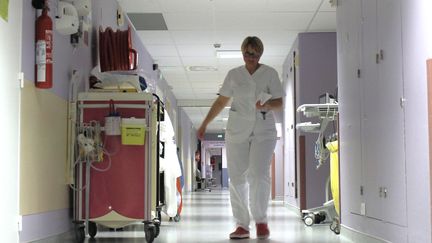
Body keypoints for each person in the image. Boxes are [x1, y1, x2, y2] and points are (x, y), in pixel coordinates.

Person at [197, 36, 283, 240]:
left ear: (260, 54)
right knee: (236, 177)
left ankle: (261, 220)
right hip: (237, 131)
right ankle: (242, 225)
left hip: (264, 131)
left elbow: (279, 101)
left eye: (253, 53)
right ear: (242, 52)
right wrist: (205, 123)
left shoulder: (270, 73)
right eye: (246, 52)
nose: (249, 57)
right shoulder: (234, 74)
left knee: (259, 174)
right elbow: (221, 102)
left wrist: (268, 106)